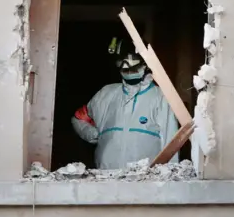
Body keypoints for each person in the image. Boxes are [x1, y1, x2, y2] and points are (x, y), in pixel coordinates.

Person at [71, 36, 179, 169]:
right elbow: (78, 118)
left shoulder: (160, 97)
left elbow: (171, 144)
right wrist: (91, 133)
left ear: (145, 65)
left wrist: (170, 179)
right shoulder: (106, 94)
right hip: (106, 177)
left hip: (144, 181)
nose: (129, 72)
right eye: (125, 68)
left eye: (134, 68)